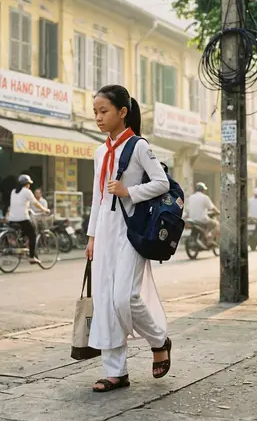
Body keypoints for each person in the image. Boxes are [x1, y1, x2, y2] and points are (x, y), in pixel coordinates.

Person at [85, 84, 171, 393]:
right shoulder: (99, 151)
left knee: (124, 296)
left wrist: (129, 191)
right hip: (105, 232)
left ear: (122, 112)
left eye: (103, 111)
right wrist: (92, 235)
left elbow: (162, 183)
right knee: (106, 300)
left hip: (132, 231)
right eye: (95, 112)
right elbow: (97, 197)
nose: (98, 117)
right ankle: (115, 372)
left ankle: (159, 340)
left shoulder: (139, 146)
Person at [7, 174, 50, 262]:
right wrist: (45, 209)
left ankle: (21, 246)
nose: (29, 186)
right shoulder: (27, 191)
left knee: (24, 232)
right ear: (26, 184)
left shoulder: (13, 191)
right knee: (32, 234)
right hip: (22, 219)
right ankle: (32, 256)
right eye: (29, 184)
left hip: (11, 220)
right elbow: (35, 203)